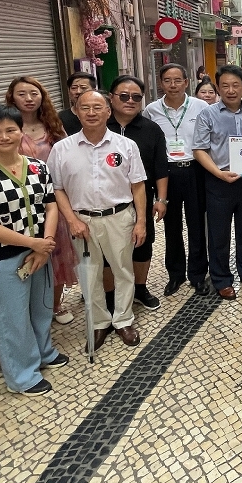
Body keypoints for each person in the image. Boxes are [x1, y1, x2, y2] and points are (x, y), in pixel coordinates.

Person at [0, 104, 66, 397]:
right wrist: (33, 244)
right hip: (0, 257)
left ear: (21, 131)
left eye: (10, 130)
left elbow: (50, 206)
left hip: (40, 249)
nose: (4, 137)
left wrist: (45, 244)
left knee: (41, 308)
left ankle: (44, 352)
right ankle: (22, 376)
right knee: (11, 319)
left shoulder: (37, 167)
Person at [48, 90, 147, 350]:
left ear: (108, 111)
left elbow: (138, 185)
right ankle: (100, 322)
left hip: (119, 217)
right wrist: (72, 220)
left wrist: (141, 222)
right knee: (89, 274)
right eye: (85, 108)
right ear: (77, 112)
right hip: (82, 221)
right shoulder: (61, 149)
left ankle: (123, 319)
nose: (91, 113)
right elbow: (57, 188)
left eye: (97, 107)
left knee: (123, 270)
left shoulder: (126, 146)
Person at [6, 76, 78, 325]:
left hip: (54, 199)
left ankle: (55, 305)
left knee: (57, 252)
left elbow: (68, 158)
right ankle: (27, 308)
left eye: (33, 93)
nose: (28, 99)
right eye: (22, 94)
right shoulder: (7, 127)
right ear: (12, 97)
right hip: (19, 202)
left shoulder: (53, 125)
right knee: (25, 252)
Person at [192, 64, 242, 299]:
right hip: (219, 181)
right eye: (225, 85)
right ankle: (222, 279)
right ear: (218, 87)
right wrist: (218, 173)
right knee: (218, 234)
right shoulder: (208, 114)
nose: (231, 90)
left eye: (235, 85)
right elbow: (199, 149)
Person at [144, 64, 211, 295]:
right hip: (166, 173)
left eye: (177, 80)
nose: (173, 85)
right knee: (171, 226)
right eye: (167, 80)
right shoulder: (151, 110)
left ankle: (198, 275)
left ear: (186, 82)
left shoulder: (201, 106)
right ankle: (175, 275)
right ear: (161, 83)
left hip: (195, 169)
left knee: (196, 224)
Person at [105, 76, 169, 308]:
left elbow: (161, 167)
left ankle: (140, 288)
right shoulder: (100, 126)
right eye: (123, 96)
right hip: (106, 199)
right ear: (111, 98)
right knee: (106, 249)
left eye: (136, 97)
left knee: (142, 242)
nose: (130, 101)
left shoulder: (151, 129)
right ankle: (110, 294)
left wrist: (161, 199)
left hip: (141, 196)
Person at [60, 72, 97, 136]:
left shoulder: (103, 114)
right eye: (74, 88)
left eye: (83, 88)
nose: (78, 91)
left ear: (94, 91)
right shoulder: (61, 118)